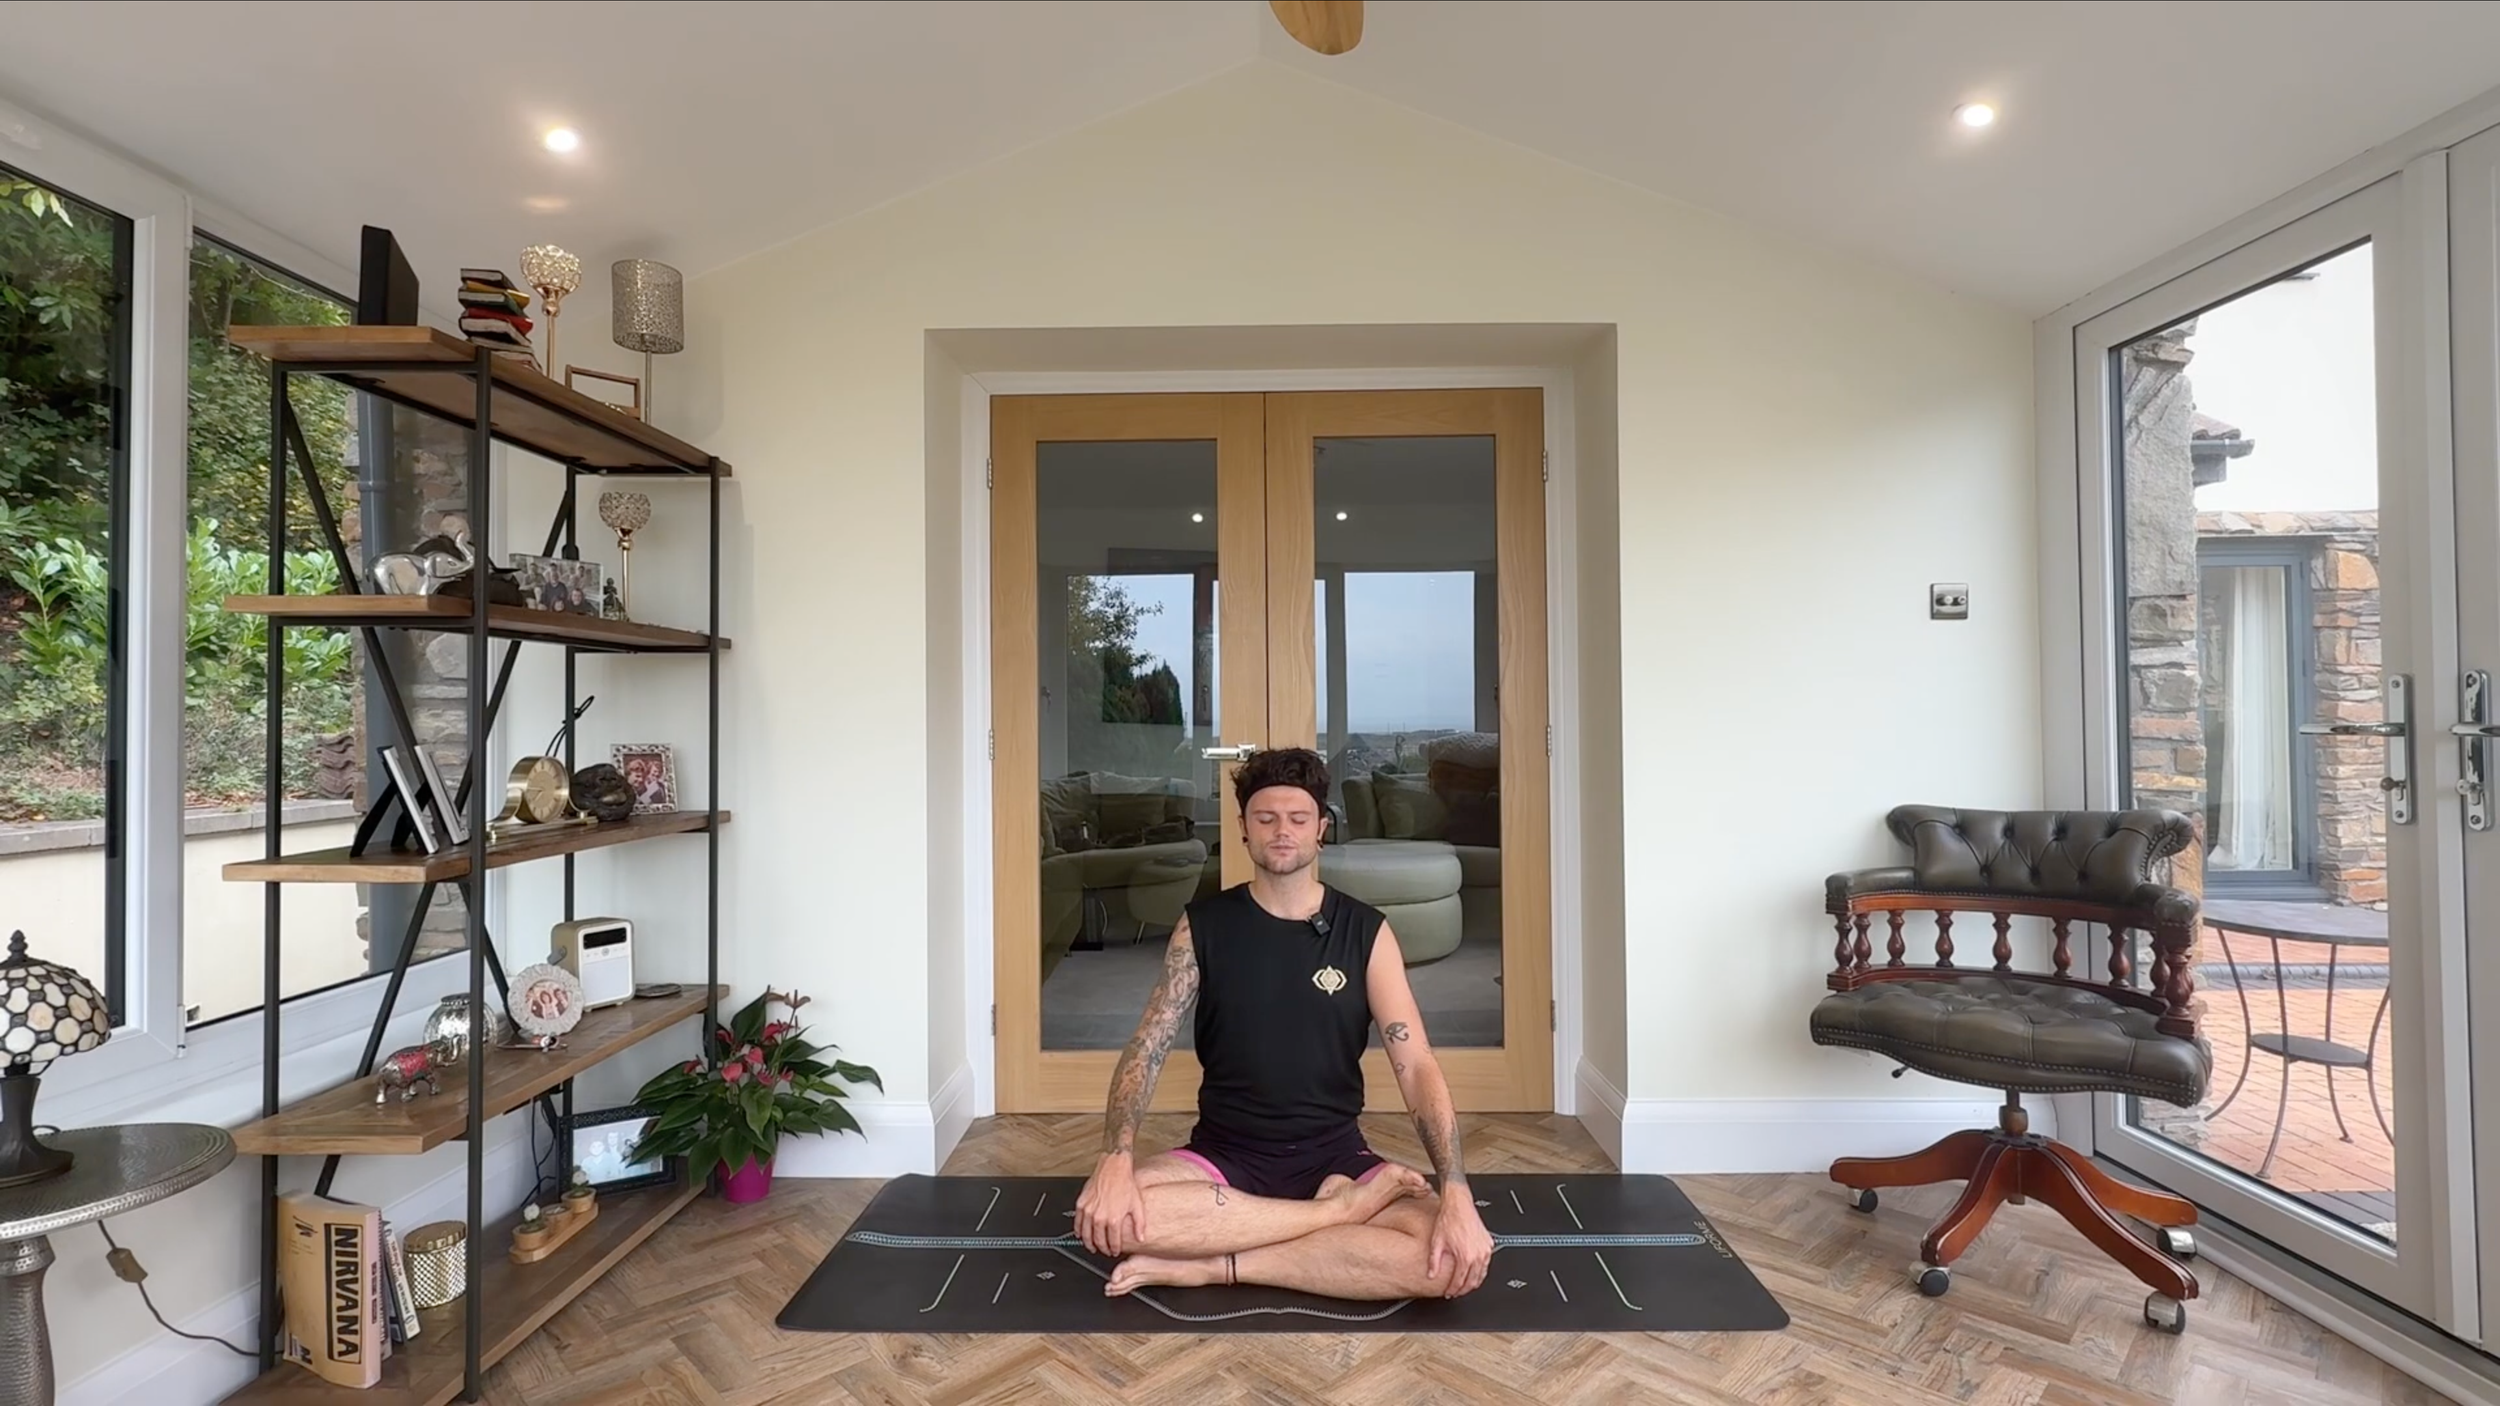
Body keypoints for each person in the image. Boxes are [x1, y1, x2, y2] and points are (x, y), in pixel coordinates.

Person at [1073, 746, 1495, 1300]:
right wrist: (1115, 1159)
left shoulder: (1366, 932)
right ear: (1244, 830)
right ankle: (1336, 1217)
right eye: (1265, 818)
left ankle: (1224, 1263)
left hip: (1335, 1157)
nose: (1281, 831)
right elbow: (1147, 1047)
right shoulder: (1203, 926)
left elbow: (1415, 1064)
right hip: (1222, 1158)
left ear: (1321, 829)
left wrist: (1457, 1189)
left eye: (1298, 819)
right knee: (1117, 1221)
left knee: (1442, 1261)